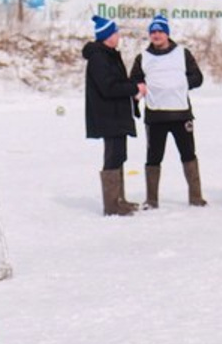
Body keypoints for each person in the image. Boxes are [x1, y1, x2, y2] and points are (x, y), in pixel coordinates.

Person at [129, 14, 206, 208]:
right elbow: (134, 82)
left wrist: (179, 85)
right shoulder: (143, 58)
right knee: (153, 158)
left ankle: (196, 197)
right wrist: (138, 93)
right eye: (153, 32)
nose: (156, 35)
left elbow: (197, 77)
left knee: (188, 154)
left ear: (167, 34)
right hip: (155, 115)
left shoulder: (182, 53)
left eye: (160, 31)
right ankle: (152, 200)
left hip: (181, 114)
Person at [83, 16, 142, 216]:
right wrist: (133, 87)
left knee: (119, 155)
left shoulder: (109, 54)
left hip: (117, 114)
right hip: (108, 115)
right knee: (112, 156)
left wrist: (131, 91)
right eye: (115, 33)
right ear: (108, 36)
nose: (118, 36)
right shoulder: (99, 58)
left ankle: (119, 199)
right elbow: (108, 87)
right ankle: (111, 205)